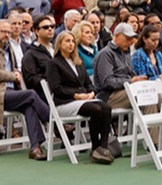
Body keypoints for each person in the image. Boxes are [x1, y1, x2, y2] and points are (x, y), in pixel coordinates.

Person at [0, 21, 52, 160]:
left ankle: (35, 147)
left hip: (11, 93)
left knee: (29, 106)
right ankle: (55, 123)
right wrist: (14, 76)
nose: (6, 34)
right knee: (31, 94)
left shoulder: (9, 49)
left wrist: (16, 73)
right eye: (3, 31)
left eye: (8, 32)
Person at [46, 32, 116, 164]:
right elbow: (56, 88)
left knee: (106, 107)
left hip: (83, 99)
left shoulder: (78, 62)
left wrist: (91, 93)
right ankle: (95, 147)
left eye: (72, 41)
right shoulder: (53, 63)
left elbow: (88, 84)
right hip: (64, 102)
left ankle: (104, 147)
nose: (71, 44)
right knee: (95, 109)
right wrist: (76, 95)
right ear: (59, 44)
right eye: (67, 41)